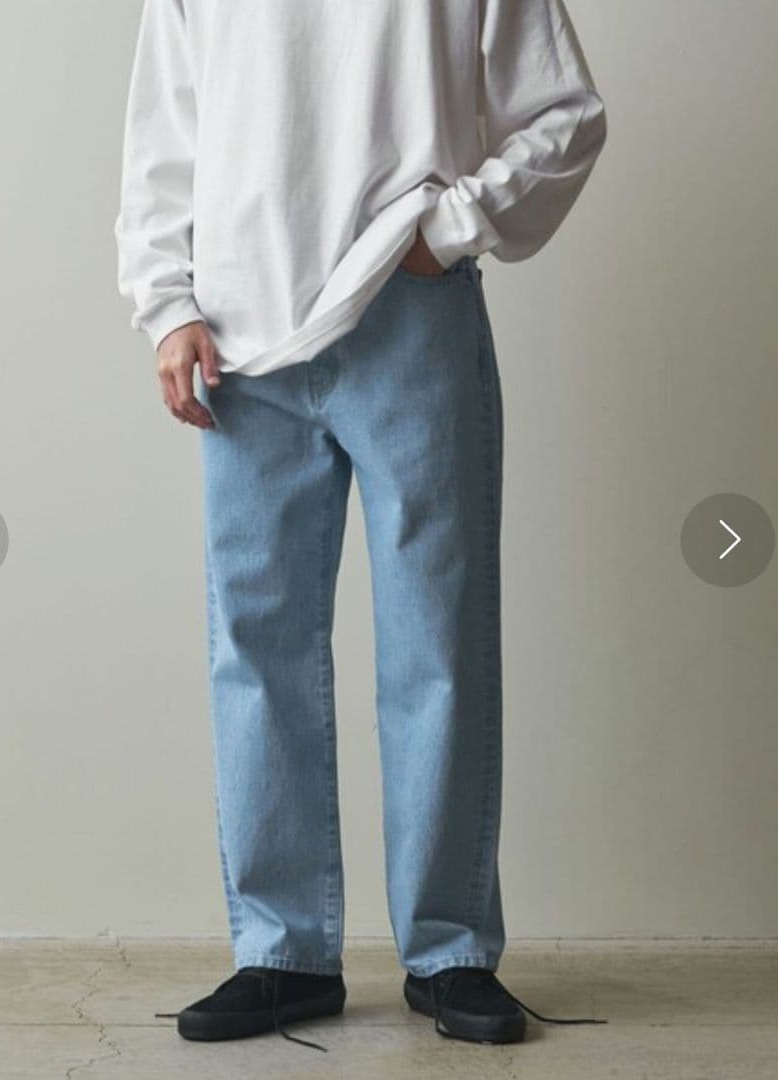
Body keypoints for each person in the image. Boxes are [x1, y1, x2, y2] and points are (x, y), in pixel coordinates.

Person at [115, 0, 608, 1052]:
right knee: (255, 646)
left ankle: (450, 950)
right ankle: (282, 952)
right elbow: (165, 126)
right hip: (240, 335)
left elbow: (566, 113)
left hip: (409, 310)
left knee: (438, 641)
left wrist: (450, 227)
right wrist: (167, 304)